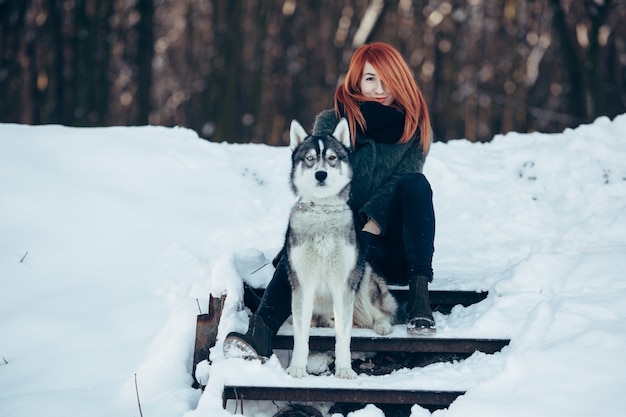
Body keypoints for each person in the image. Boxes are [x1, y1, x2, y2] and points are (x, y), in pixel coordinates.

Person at [224, 42, 435, 361]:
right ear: (356, 81)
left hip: (388, 247)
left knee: (416, 185)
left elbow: (398, 183)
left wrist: (372, 223)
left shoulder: (412, 128)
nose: (379, 88)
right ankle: (262, 332)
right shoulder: (332, 124)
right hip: (338, 240)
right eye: (370, 79)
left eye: (387, 79)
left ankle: (420, 297)